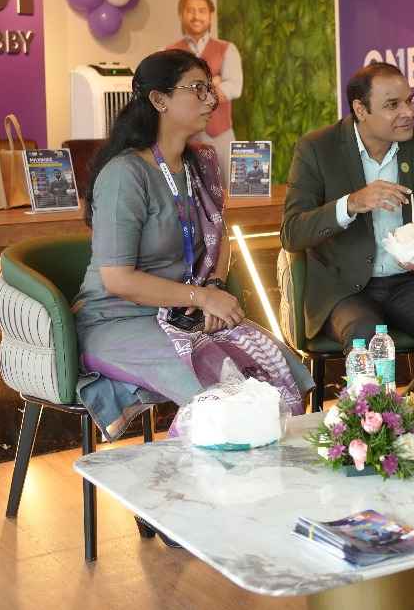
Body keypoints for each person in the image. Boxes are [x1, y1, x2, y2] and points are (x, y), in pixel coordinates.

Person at [75, 50, 313, 446]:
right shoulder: (125, 174)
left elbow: (220, 236)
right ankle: (179, 500)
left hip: (183, 313)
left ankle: (262, 491)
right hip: (117, 320)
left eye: (211, 88)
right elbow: (117, 279)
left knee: (279, 368)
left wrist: (215, 288)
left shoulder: (200, 162)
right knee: (223, 395)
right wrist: (201, 296)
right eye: (197, 88)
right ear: (159, 99)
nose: (211, 99)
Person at [281, 62, 414, 392]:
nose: (408, 113)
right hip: (343, 289)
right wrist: (352, 203)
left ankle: (404, 415)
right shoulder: (318, 148)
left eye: (410, 100)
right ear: (360, 109)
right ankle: (379, 426)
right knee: (369, 343)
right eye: (392, 105)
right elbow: (292, 232)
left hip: (405, 282)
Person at [167, 0, 243, 181]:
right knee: (184, 190)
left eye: (201, 10)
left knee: (228, 190)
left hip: (220, 135)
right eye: (190, 10)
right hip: (182, 137)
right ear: (181, 15)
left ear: (210, 15)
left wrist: (187, 89)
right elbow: (167, 91)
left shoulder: (227, 49)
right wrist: (213, 83)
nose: (196, 16)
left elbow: (234, 88)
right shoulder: (168, 52)